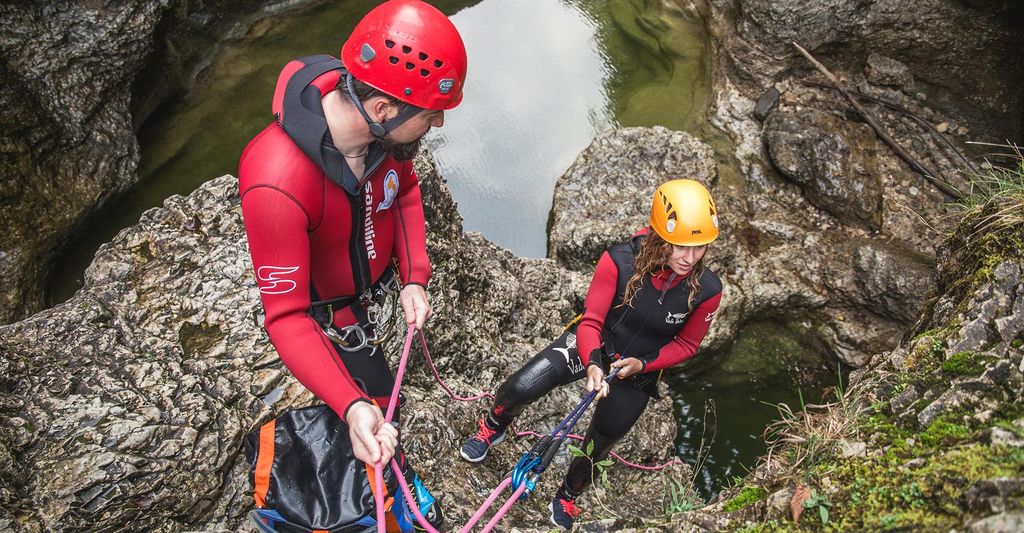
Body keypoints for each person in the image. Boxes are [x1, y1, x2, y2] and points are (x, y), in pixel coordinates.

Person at [239, 0, 467, 527]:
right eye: (431, 114)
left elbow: (404, 193)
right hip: (328, 316)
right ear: (384, 108)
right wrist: (350, 405)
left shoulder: (382, 138)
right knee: (376, 406)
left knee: (385, 400)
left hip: (376, 291)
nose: (435, 123)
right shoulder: (277, 180)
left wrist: (414, 277)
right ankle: (378, 487)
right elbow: (286, 317)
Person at [459, 179, 724, 529]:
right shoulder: (620, 261)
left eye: (700, 247)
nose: (690, 258)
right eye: (680, 247)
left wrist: (643, 364)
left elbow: (688, 345)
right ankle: (493, 426)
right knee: (521, 386)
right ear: (661, 236)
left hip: (639, 369)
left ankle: (568, 495)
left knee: (602, 439)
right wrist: (593, 365)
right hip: (595, 343)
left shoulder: (706, 290)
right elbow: (591, 321)